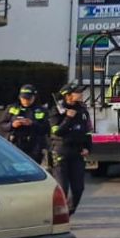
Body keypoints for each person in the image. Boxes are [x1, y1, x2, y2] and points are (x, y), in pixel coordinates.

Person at [51, 83, 92, 215]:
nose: (81, 94)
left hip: (78, 152)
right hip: (61, 151)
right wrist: (68, 118)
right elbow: (56, 131)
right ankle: (59, 215)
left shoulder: (82, 110)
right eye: (77, 92)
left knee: (79, 188)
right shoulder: (57, 110)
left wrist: (87, 147)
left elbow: (88, 131)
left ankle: (68, 213)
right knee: (63, 188)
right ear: (68, 95)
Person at [0, 84, 49, 164]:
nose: (25, 101)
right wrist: (12, 125)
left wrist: (32, 124)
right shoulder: (12, 108)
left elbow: (46, 128)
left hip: (34, 146)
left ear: (34, 97)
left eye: (28, 99)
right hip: (15, 143)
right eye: (23, 98)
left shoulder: (41, 110)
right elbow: (2, 125)